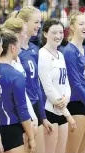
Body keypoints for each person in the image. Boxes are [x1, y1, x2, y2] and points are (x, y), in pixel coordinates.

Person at [11, 7, 54, 153]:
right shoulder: (13, 51)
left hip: (35, 108)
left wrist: (43, 116)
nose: (39, 26)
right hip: (21, 112)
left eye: (40, 22)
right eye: (36, 22)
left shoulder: (34, 49)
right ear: (24, 23)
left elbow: (36, 84)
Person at [0, 28, 36, 153]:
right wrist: (31, 137)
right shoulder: (16, 75)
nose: (20, 48)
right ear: (12, 47)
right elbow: (22, 109)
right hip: (11, 129)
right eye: (18, 45)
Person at [38, 18, 76, 153]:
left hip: (62, 108)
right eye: (54, 32)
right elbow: (47, 85)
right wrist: (68, 114)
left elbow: (66, 82)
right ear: (45, 34)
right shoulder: (42, 54)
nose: (58, 36)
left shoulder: (60, 54)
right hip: (50, 110)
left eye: (60, 32)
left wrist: (67, 98)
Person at [63, 12, 85, 153]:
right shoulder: (69, 51)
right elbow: (76, 84)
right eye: (81, 23)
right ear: (72, 26)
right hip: (77, 105)